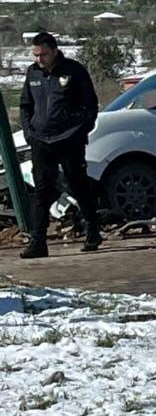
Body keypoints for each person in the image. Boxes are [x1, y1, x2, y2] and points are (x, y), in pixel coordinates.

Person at [18, 31, 101, 258]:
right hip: (41, 141)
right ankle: (38, 241)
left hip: (69, 140)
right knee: (41, 191)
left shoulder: (73, 71)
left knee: (77, 184)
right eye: (35, 55)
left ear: (54, 50)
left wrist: (78, 131)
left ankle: (92, 228)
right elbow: (25, 106)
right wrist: (29, 132)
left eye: (43, 54)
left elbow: (90, 106)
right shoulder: (32, 73)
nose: (39, 59)